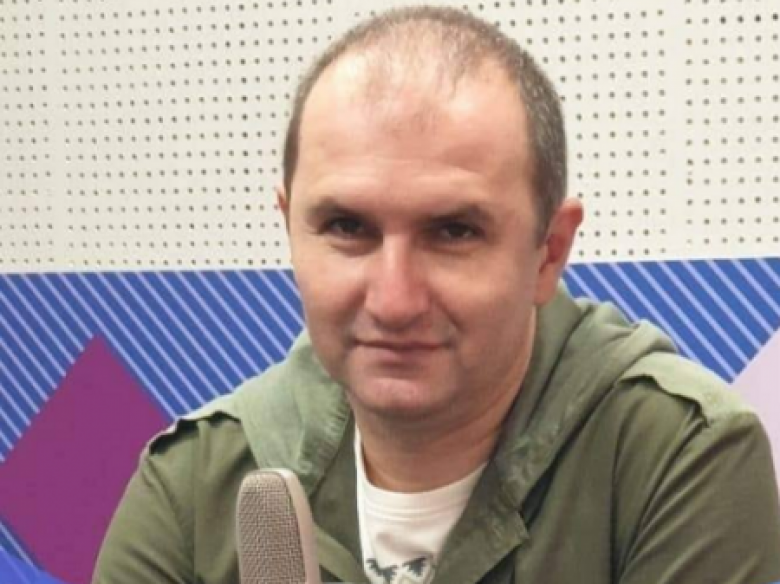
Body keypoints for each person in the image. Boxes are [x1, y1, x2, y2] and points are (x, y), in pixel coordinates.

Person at [92, 6, 780, 584]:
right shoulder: (194, 487)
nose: (394, 302)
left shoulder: (674, 461)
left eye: (454, 232)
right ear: (289, 227)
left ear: (548, 251)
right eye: (347, 228)